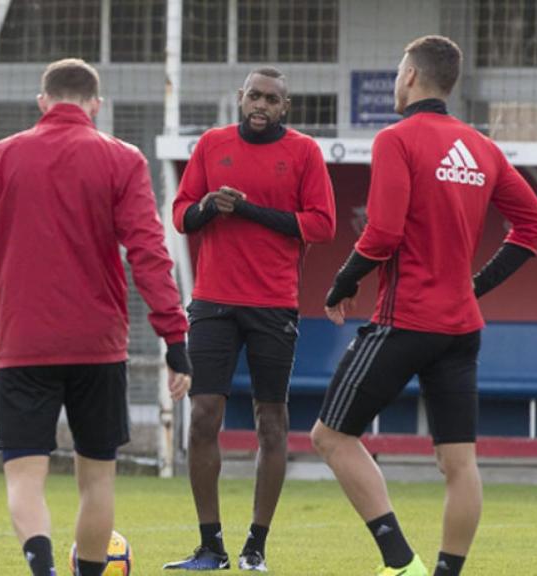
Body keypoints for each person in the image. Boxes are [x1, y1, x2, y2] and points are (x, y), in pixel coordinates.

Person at [310, 35, 537, 576]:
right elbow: (535, 226)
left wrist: (341, 282)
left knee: (330, 436)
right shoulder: (481, 148)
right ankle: (446, 572)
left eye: (398, 71)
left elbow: (383, 232)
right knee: (458, 462)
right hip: (461, 327)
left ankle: (400, 563)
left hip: (406, 320)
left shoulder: (397, 139)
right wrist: (475, 286)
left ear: (413, 76)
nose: (396, 80)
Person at [0, 58, 191, 576]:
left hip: (24, 340)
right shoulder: (122, 158)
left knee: (24, 478)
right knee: (98, 481)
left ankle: (42, 570)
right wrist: (174, 338)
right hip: (98, 344)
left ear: (42, 102)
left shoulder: (1, 156)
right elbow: (149, 252)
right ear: (96, 105)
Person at [165, 67, 336, 572]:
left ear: (286, 107)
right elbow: (180, 214)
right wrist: (208, 209)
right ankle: (210, 546)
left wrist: (249, 211)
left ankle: (255, 547)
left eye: (271, 99)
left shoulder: (304, 152)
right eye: (254, 96)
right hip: (213, 301)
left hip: (273, 304)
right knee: (202, 418)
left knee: (272, 422)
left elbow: (322, 225)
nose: (261, 105)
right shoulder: (211, 145)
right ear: (240, 98)